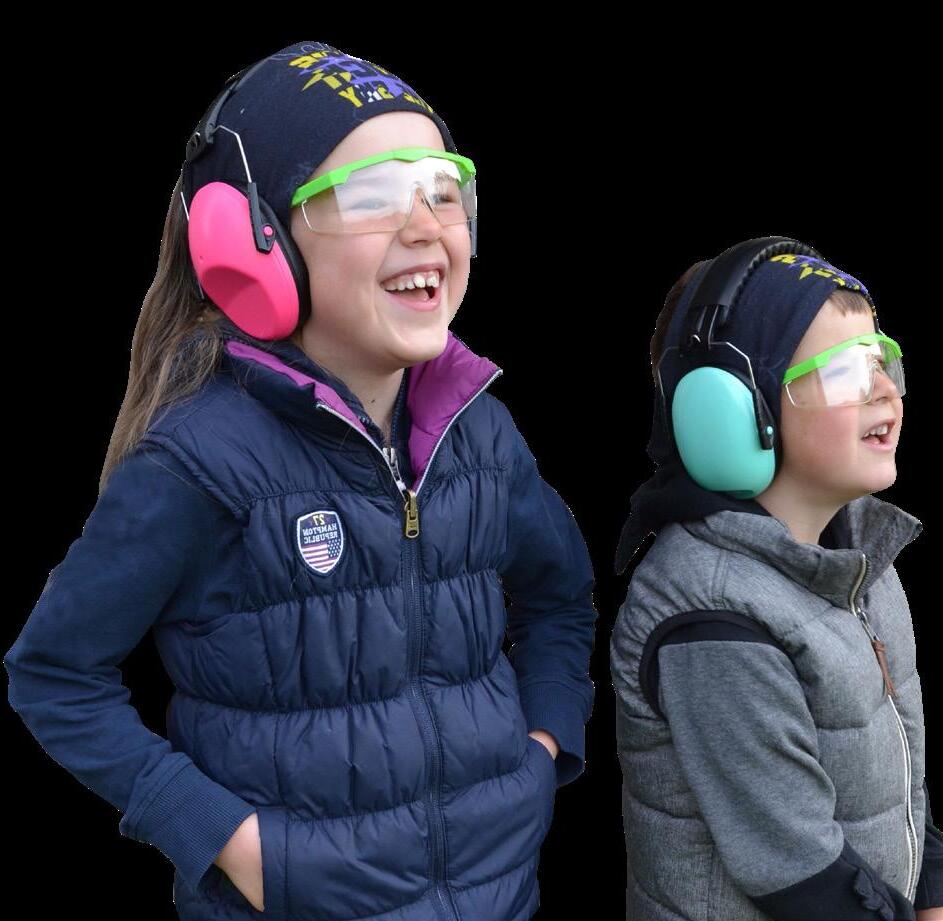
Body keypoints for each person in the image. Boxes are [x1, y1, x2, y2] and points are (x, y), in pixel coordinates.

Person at [4, 40, 597, 921]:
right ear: (256, 245)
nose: (425, 225)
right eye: (372, 194)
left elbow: (560, 600)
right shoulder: (200, 461)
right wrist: (230, 842)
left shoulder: (483, 433)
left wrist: (539, 754)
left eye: (442, 189)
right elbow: (55, 673)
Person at [609, 238, 943, 921]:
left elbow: (901, 777)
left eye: (881, 360)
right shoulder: (713, 618)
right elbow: (796, 869)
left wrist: (931, 890)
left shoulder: (863, 562)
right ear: (734, 411)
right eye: (845, 372)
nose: (884, 389)